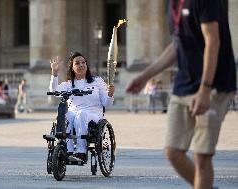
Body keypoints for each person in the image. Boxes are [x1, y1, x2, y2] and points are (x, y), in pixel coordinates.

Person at [126, 0, 236, 189]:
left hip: (214, 85)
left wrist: (205, 88)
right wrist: (145, 76)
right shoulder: (173, 4)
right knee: (173, 151)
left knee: (201, 156)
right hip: (185, 83)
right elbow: (176, 46)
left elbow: (213, 41)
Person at [49, 52, 115, 161]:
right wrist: (54, 74)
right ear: (72, 67)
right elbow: (54, 91)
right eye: (77, 63)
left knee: (81, 114)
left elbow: (106, 103)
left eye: (83, 62)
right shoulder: (69, 84)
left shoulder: (97, 81)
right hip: (74, 114)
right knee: (66, 114)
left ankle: (81, 152)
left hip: (94, 114)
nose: (81, 65)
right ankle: (67, 150)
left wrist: (110, 94)